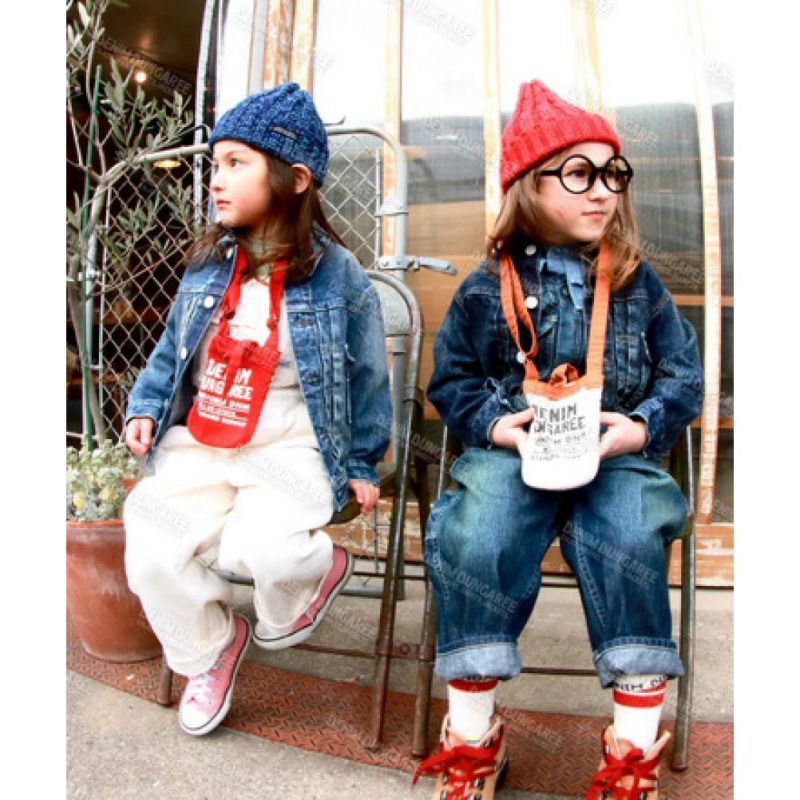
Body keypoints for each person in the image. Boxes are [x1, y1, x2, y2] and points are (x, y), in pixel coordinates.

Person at [413, 80, 703, 799]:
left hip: (615, 456)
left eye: (612, 173)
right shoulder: (486, 286)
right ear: (528, 185)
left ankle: (632, 753)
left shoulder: (638, 282)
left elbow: (684, 375)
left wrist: (642, 426)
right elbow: (451, 380)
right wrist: (493, 424)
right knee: (478, 533)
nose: (602, 190)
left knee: (631, 534)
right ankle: (473, 738)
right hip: (514, 453)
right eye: (578, 173)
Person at [123, 82, 392, 738]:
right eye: (215, 164)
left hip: (288, 442)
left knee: (263, 550)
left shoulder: (339, 275)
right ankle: (210, 649)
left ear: (294, 179)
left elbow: (368, 378)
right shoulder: (208, 266)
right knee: (150, 542)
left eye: (235, 163)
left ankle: (312, 574)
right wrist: (147, 408)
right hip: (204, 439)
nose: (215, 179)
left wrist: (362, 461)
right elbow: (170, 351)